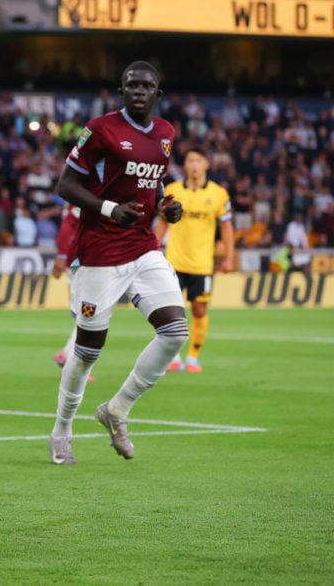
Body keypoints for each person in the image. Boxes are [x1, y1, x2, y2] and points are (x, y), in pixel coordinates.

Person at [48, 61, 186, 465]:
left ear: (158, 94)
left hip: (143, 246)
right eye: (131, 85)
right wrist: (109, 208)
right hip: (100, 251)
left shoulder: (165, 134)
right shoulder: (101, 129)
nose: (139, 90)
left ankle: (117, 409)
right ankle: (61, 431)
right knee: (88, 351)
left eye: (146, 86)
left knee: (175, 332)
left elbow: (153, 181)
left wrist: (165, 206)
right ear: (121, 91)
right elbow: (66, 185)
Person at [154, 147, 235, 373]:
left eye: (198, 160)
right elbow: (162, 224)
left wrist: (229, 257)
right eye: (190, 160)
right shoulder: (172, 190)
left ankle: (193, 357)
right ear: (185, 165)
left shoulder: (219, 194)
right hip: (173, 262)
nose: (194, 165)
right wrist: (150, 252)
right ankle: (174, 356)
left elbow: (227, 227)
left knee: (199, 310)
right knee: (170, 311)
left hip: (202, 264)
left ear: (206, 164)